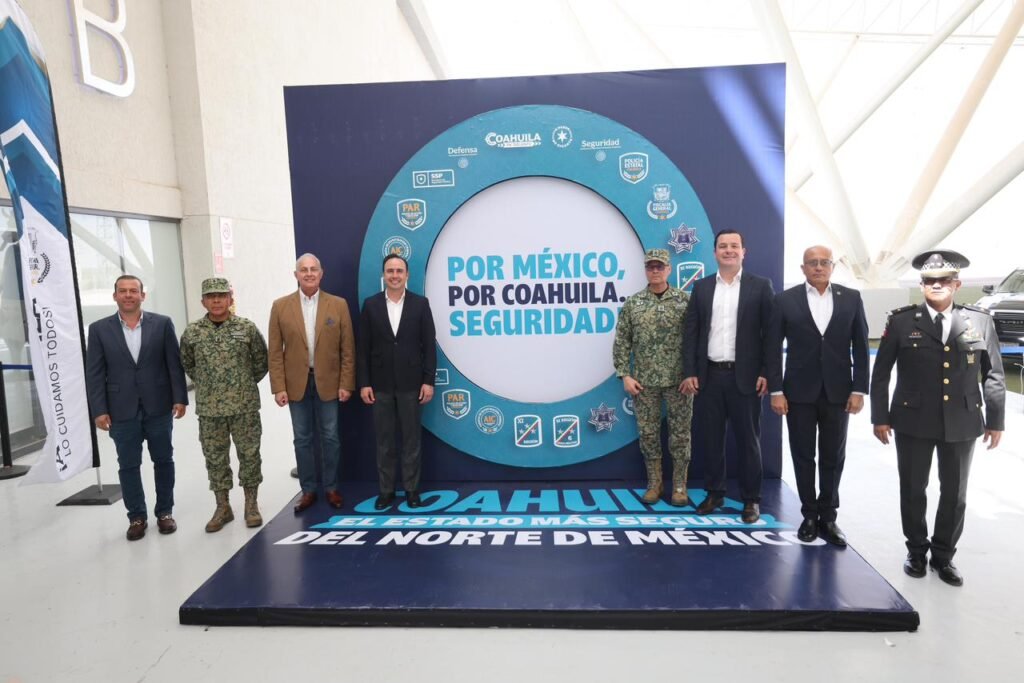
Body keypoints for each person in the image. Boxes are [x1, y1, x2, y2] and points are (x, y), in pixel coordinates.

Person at [871, 250, 1004, 586]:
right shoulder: (901, 322)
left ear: (957, 284)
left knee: (955, 493)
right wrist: (880, 417)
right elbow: (881, 373)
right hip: (912, 420)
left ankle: (943, 556)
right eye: (930, 280)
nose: (937, 285)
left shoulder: (979, 321)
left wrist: (996, 420)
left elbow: (993, 374)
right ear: (922, 285)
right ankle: (916, 551)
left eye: (945, 280)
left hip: (962, 420)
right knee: (913, 488)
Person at [766, 246, 869, 546]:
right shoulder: (785, 300)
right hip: (798, 392)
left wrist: (859, 389)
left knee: (833, 456)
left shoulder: (851, 298)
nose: (819, 267)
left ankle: (829, 516)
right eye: (812, 263)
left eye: (824, 262)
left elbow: (861, 347)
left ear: (833, 266)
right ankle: (809, 515)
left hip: (839, 392)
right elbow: (772, 349)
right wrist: (776, 390)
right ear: (803, 268)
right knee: (803, 455)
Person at [85, 275, 188, 541]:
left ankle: (164, 512)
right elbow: (94, 373)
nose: (128, 295)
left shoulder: (162, 324)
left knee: (163, 460)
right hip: (120, 410)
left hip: (159, 406)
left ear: (143, 295)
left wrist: (180, 398)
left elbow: (173, 364)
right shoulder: (99, 329)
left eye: (134, 291)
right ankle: (136, 517)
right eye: (123, 291)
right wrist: (98, 409)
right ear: (115, 296)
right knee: (128, 465)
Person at [681, 229, 774, 523]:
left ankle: (751, 500)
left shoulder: (761, 286)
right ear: (715, 253)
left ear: (744, 251)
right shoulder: (702, 287)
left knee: (749, 442)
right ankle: (715, 493)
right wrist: (690, 371)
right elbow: (692, 333)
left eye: (734, 246)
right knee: (711, 440)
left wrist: (766, 372)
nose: (729, 250)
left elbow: (771, 335)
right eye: (723, 246)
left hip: (746, 378)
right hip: (710, 376)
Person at [269, 253, 356, 513]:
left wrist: (346, 383)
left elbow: (348, 349)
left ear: (321, 273)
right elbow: (275, 352)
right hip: (296, 384)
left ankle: (331, 487)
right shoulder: (280, 306)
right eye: (303, 269)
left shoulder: (338, 305)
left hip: (329, 383)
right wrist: (279, 387)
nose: (309, 273)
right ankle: (308, 490)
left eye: (313, 269)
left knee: (330, 437)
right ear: (295, 275)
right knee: (302, 439)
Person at [180, 278, 269, 531]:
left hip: (244, 405)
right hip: (210, 409)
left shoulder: (246, 328)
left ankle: (251, 504)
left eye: (221, 295)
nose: (216, 300)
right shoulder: (192, 332)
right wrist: (210, 385)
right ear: (203, 302)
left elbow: (261, 362)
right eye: (211, 296)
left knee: (249, 455)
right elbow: (187, 363)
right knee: (215, 458)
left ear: (230, 299)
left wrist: (241, 384)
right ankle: (223, 507)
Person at [613, 248, 693, 505]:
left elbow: (696, 339)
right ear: (646, 270)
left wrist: (693, 374)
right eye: (651, 267)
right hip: (644, 383)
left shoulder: (685, 301)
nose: (655, 271)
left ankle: (679, 486)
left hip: (679, 381)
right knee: (648, 434)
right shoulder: (633, 304)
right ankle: (654, 483)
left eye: (660, 267)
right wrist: (625, 375)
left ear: (669, 269)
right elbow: (622, 341)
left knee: (680, 435)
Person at [357, 254, 436, 510]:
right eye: (390, 271)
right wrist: (364, 383)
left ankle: (412, 490)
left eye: (399, 271)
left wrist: (428, 381)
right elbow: (363, 349)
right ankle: (386, 491)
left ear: (407, 275)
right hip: (380, 386)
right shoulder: (371, 305)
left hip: (412, 385)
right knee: (385, 442)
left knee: (411, 441)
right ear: (383, 275)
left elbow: (429, 346)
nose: (394, 275)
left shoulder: (420, 304)